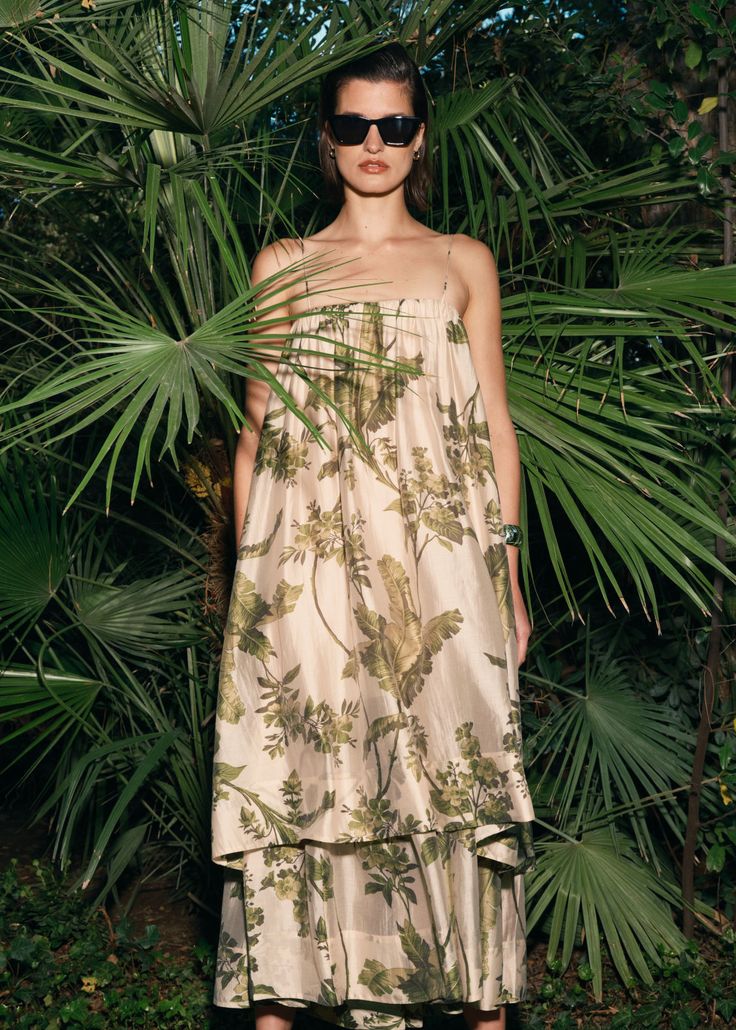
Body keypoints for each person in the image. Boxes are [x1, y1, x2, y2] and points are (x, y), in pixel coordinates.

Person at [211, 41, 535, 1030]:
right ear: (326, 139)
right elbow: (257, 434)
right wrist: (247, 591)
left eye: (393, 125)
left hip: (441, 576)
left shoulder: (460, 261)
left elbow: (492, 426)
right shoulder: (283, 266)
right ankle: (288, 997)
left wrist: (509, 573)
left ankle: (471, 999)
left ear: (419, 135)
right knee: (305, 777)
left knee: (452, 772)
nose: (373, 143)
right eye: (353, 125)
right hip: (303, 579)